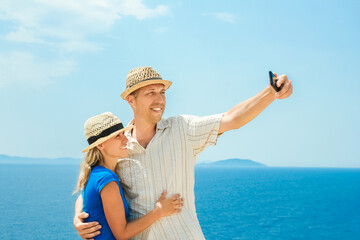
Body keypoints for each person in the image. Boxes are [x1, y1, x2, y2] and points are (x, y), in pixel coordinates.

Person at [74, 67, 293, 239]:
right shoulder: (120, 148)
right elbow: (95, 186)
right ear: (131, 100)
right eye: (151, 93)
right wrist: (80, 217)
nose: (160, 99)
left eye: (162, 92)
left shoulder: (182, 129)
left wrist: (271, 92)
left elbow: (231, 119)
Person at [74, 111, 184, 240]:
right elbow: (122, 234)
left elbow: (84, 196)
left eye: (123, 134)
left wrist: (77, 216)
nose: (125, 139)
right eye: (117, 136)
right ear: (100, 144)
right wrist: (159, 211)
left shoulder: (96, 174)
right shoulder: (106, 178)